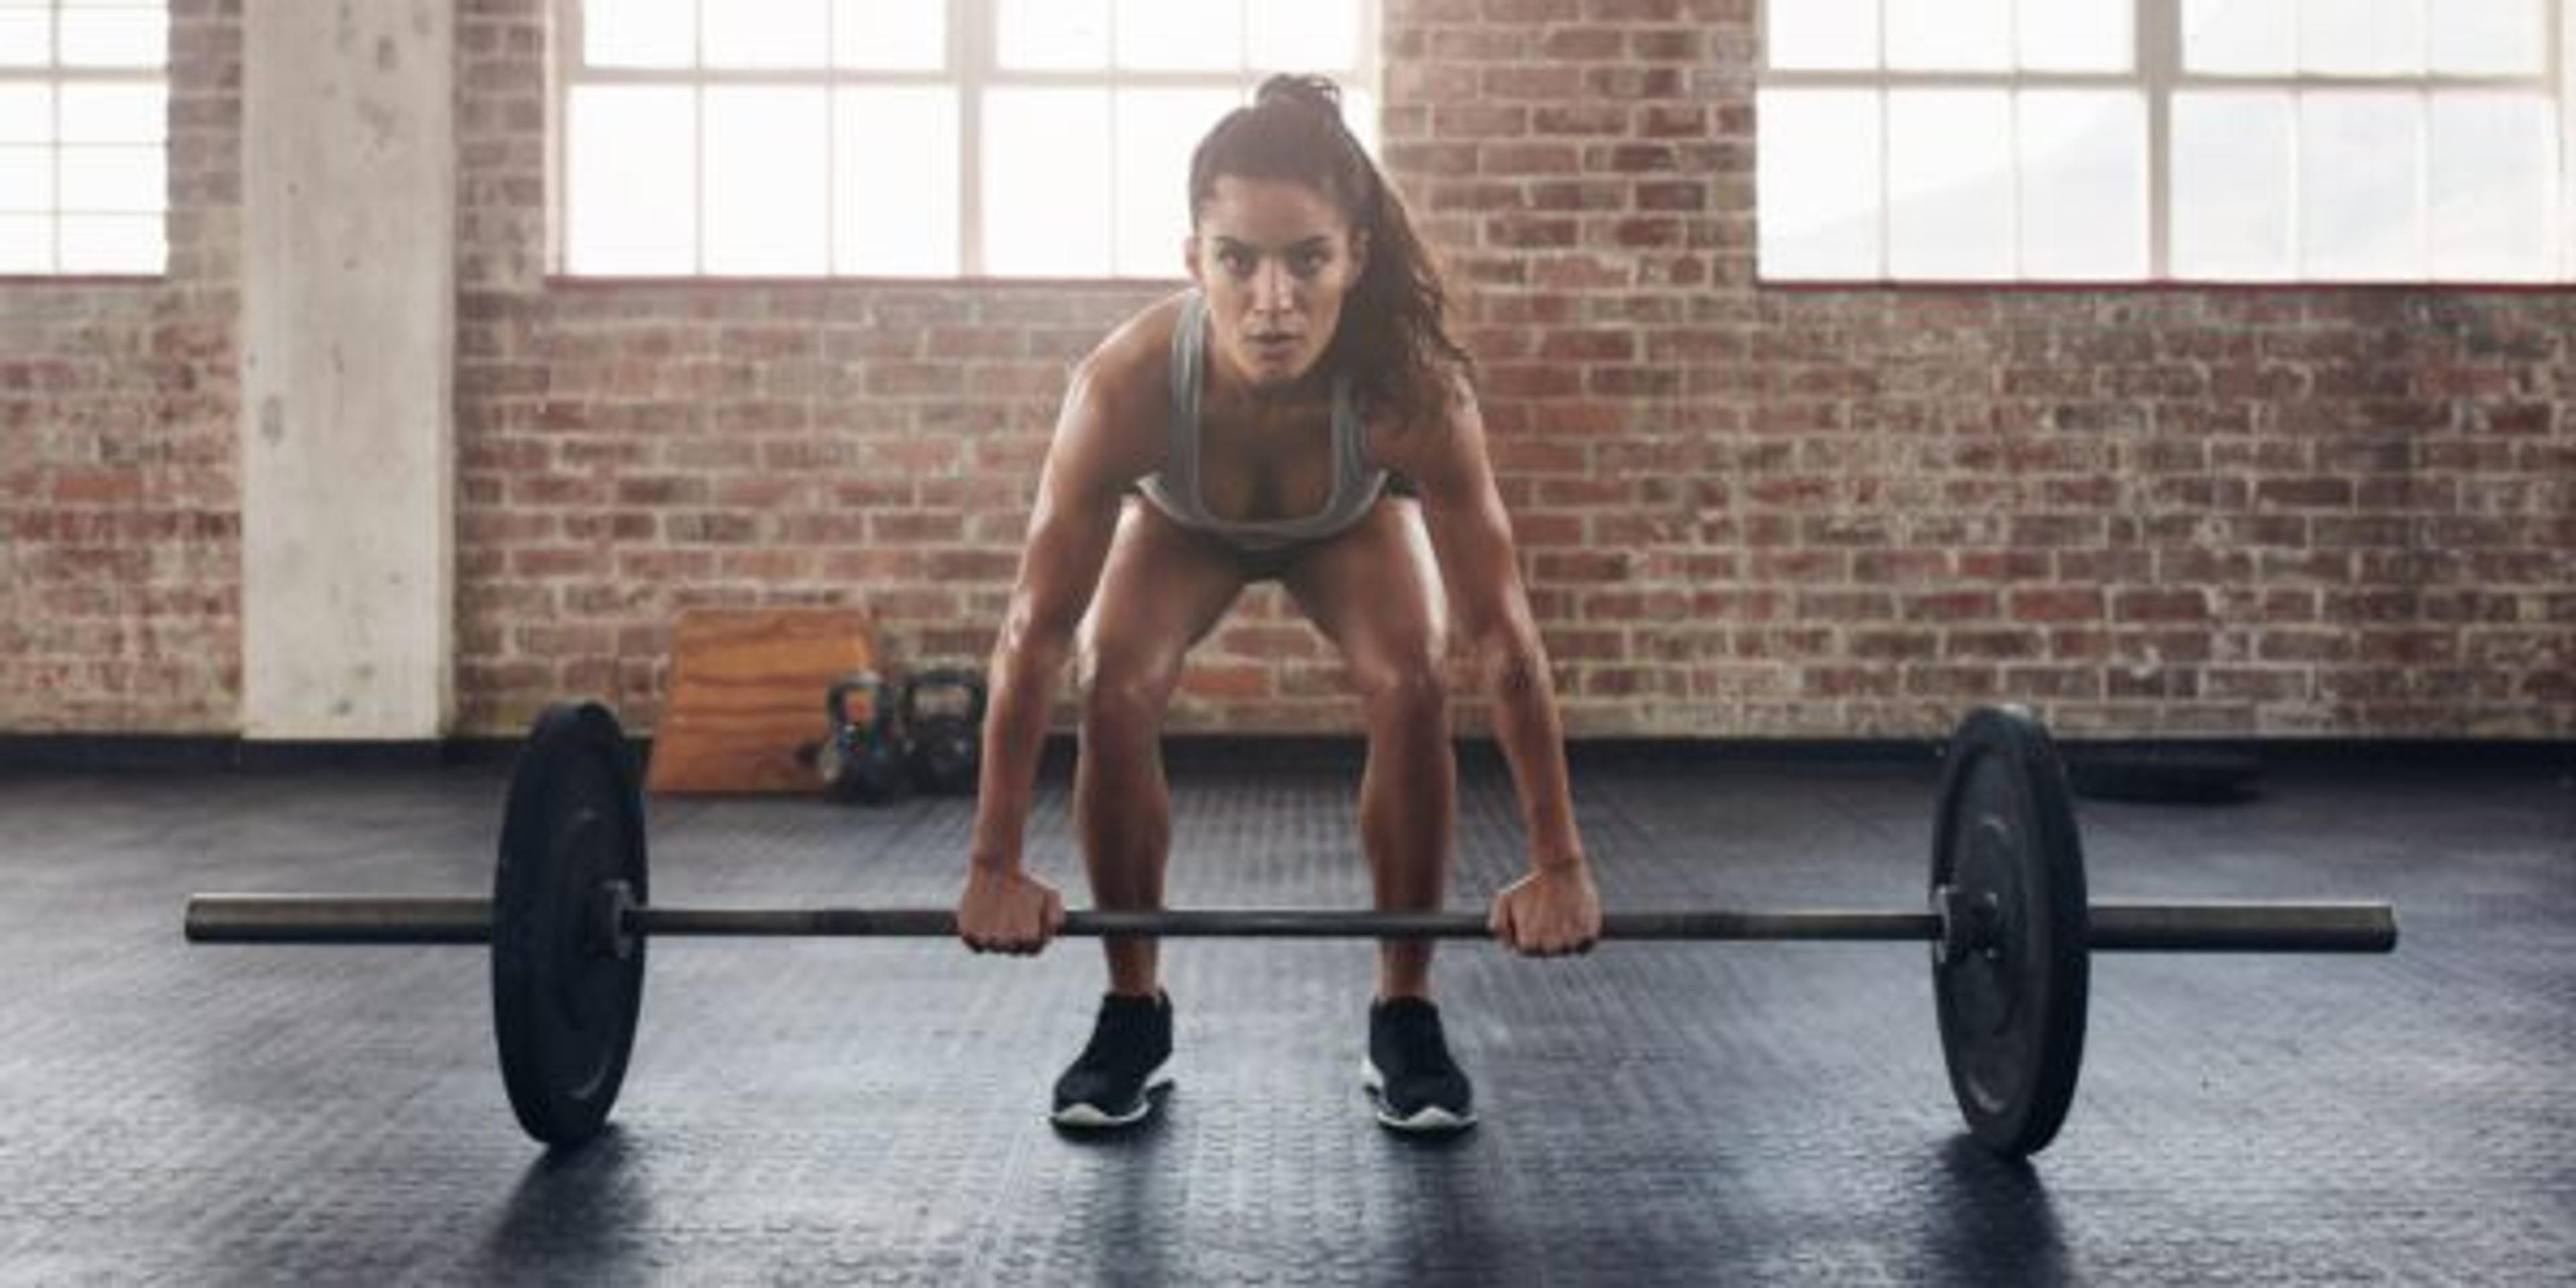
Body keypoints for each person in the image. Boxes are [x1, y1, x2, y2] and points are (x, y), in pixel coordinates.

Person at [954, 74, 1600, 1134]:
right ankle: (1131, 1010)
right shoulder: (1123, 387)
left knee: (1413, 678)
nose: (1273, 300)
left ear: (1356, 256)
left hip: (1347, 524)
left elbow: (1505, 636)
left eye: (1307, 261)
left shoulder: (1412, 390)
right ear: (1192, 260)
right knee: (1113, 680)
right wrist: (992, 864)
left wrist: (1561, 863)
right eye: (1238, 261)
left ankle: (1406, 1011)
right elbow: (1033, 634)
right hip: (1183, 526)